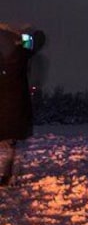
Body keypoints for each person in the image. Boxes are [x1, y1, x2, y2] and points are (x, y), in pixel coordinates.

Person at [0, 25, 47, 186]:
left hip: (12, 102)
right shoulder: (21, 56)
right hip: (14, 102)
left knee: (11, 141)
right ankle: (9, 173)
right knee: (11, 142)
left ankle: (9, 173)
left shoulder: (18, 56)